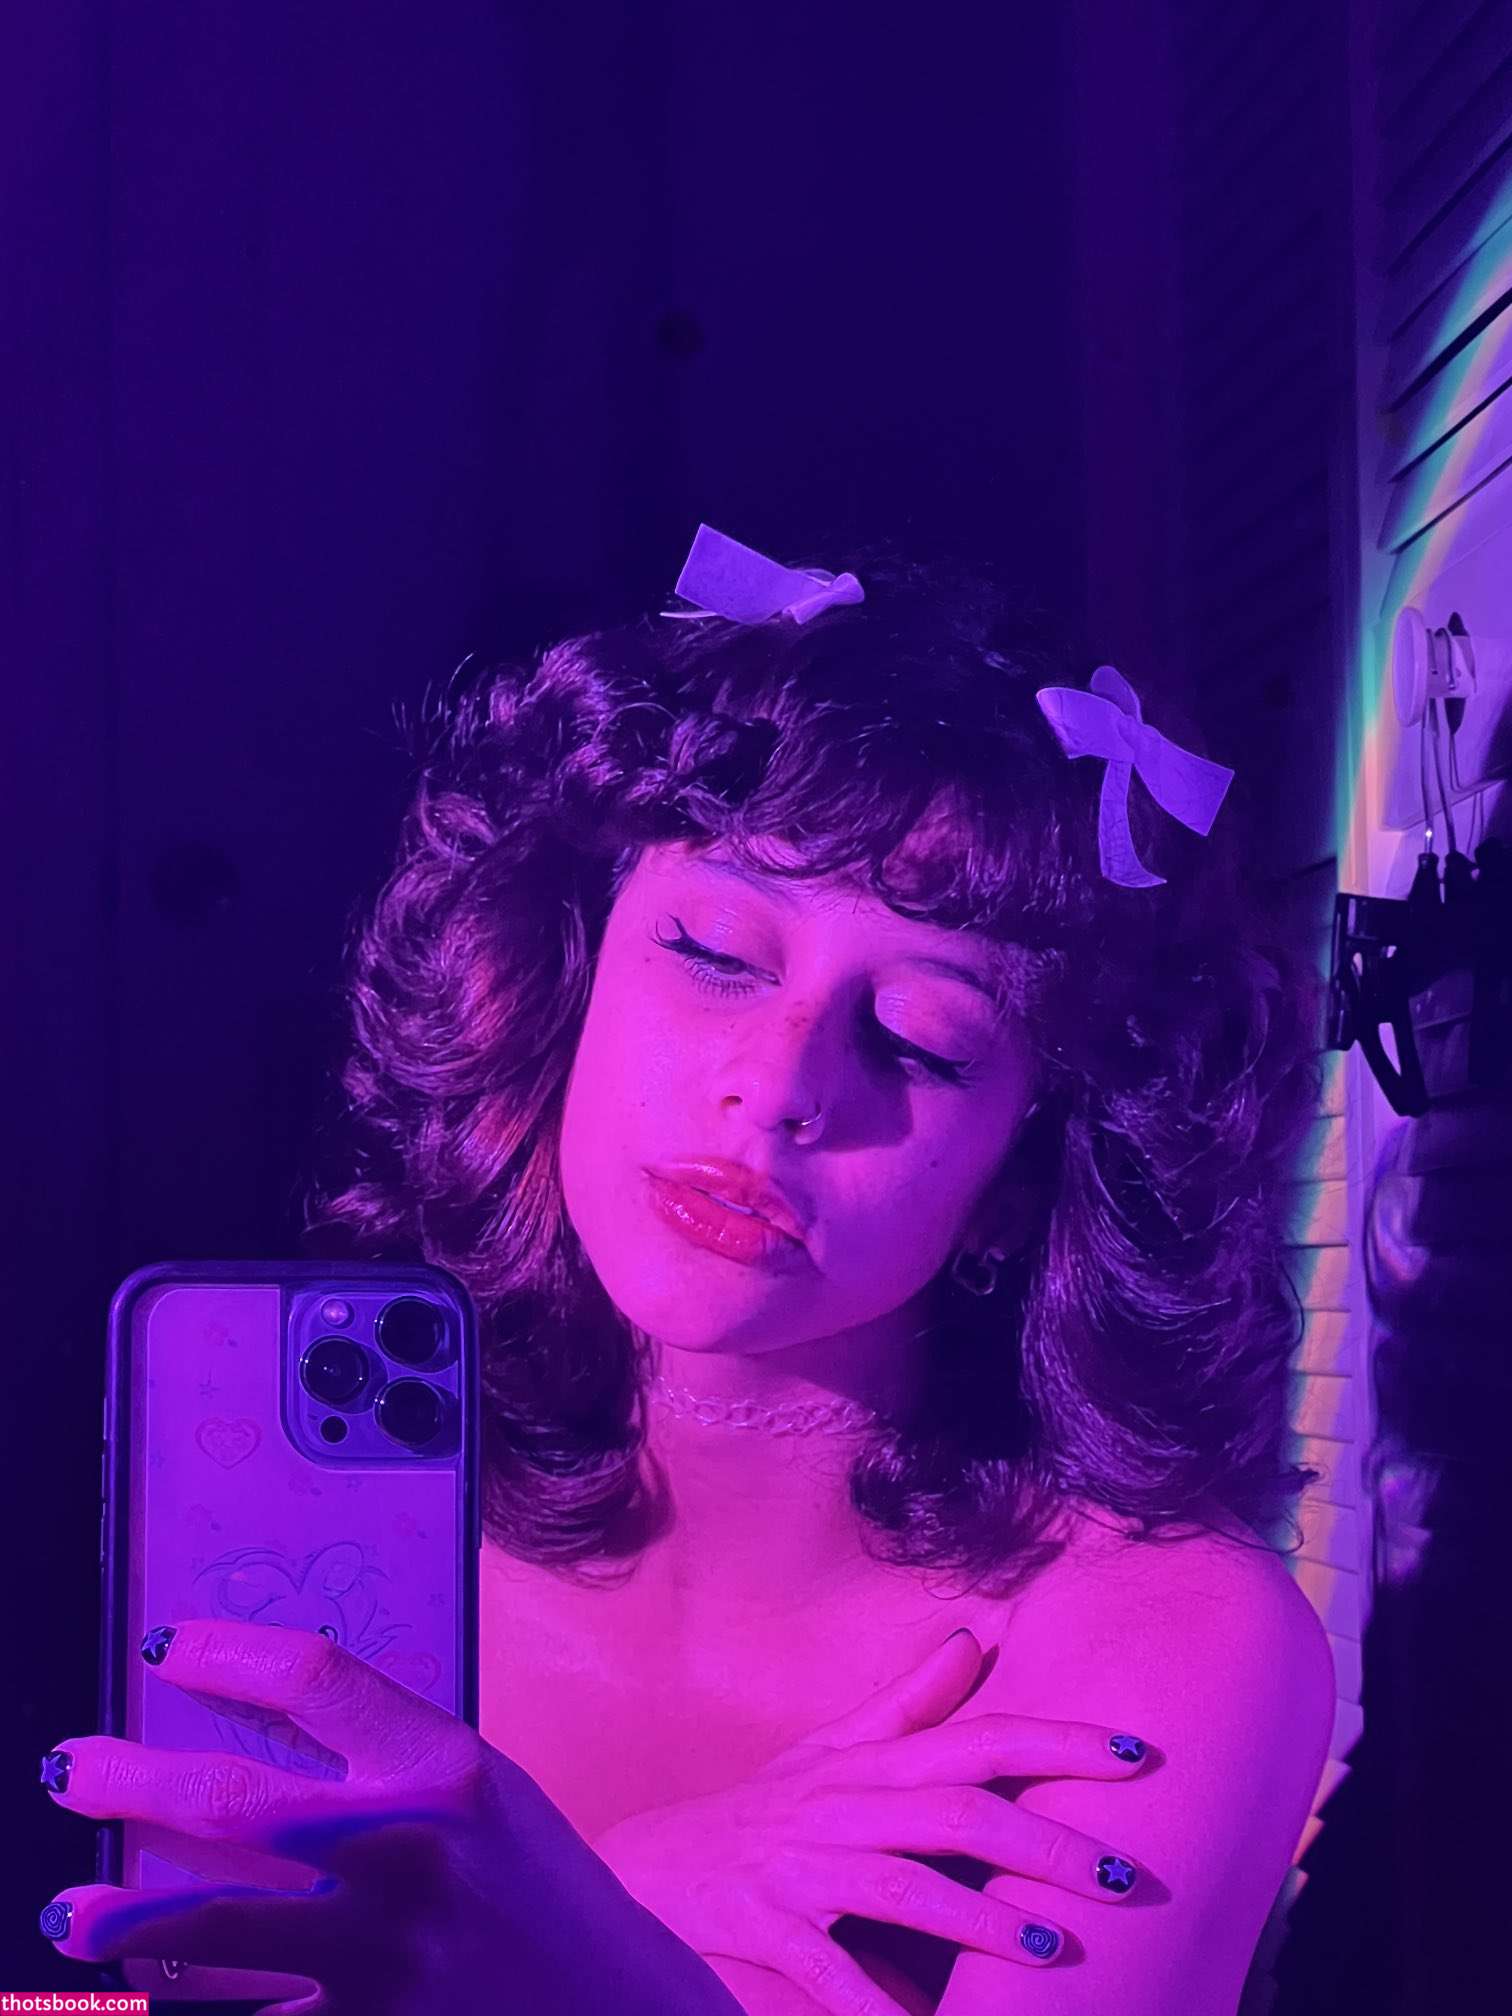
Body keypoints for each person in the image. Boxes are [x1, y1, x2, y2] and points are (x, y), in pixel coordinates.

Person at [42, 528, 1337, 2015]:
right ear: (568, 983)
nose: (779, 1087)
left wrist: (580, 1945)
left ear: (1018, 1180)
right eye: (717, 953)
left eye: (919, 1040)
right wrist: (636, 1887)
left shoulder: (1158, 1638)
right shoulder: (311, 1550)